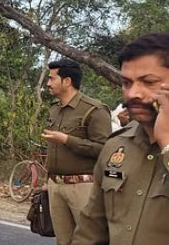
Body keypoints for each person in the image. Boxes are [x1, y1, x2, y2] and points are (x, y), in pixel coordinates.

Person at [72, 32, 169, 245]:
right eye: (126, 83)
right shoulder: (116, 146)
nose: (133, 93)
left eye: (149, 82)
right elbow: (91, 230)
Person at [42, 59, 111, 245]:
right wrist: (47, 181)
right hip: (55, 185)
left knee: (89, 240)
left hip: (84, 187)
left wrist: (67, 140)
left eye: (52, 79)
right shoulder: (54, 110)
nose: (48, 83)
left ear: (67, 81)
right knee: (63, 241)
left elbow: (105, 149)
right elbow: (53, 149)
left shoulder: (94, 110)